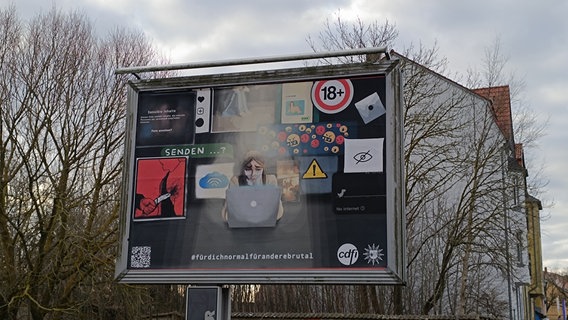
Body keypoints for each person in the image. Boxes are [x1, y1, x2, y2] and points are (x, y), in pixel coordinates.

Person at [221, 151, 284, 221]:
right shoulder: (235, 181)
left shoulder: (270, 180)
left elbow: (278, 214)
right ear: (243, 169)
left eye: (258, 169)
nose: (253, 174)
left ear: (263, 169)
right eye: (248, 169)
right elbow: (226, 216)